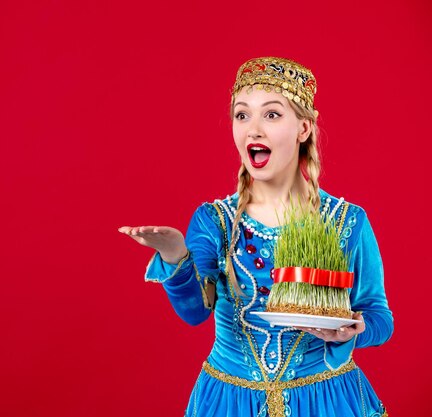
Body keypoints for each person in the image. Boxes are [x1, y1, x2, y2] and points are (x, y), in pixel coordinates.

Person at [118, 57, 393, 417]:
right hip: (231, 402)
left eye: (272, 115)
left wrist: (354, 329)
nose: (253, 130)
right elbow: (195, 311)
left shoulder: (347, 222)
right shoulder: (214, 221)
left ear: (304, 129)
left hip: (327, 400)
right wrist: (174, 255)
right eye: (242, 115)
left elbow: (379, 316)